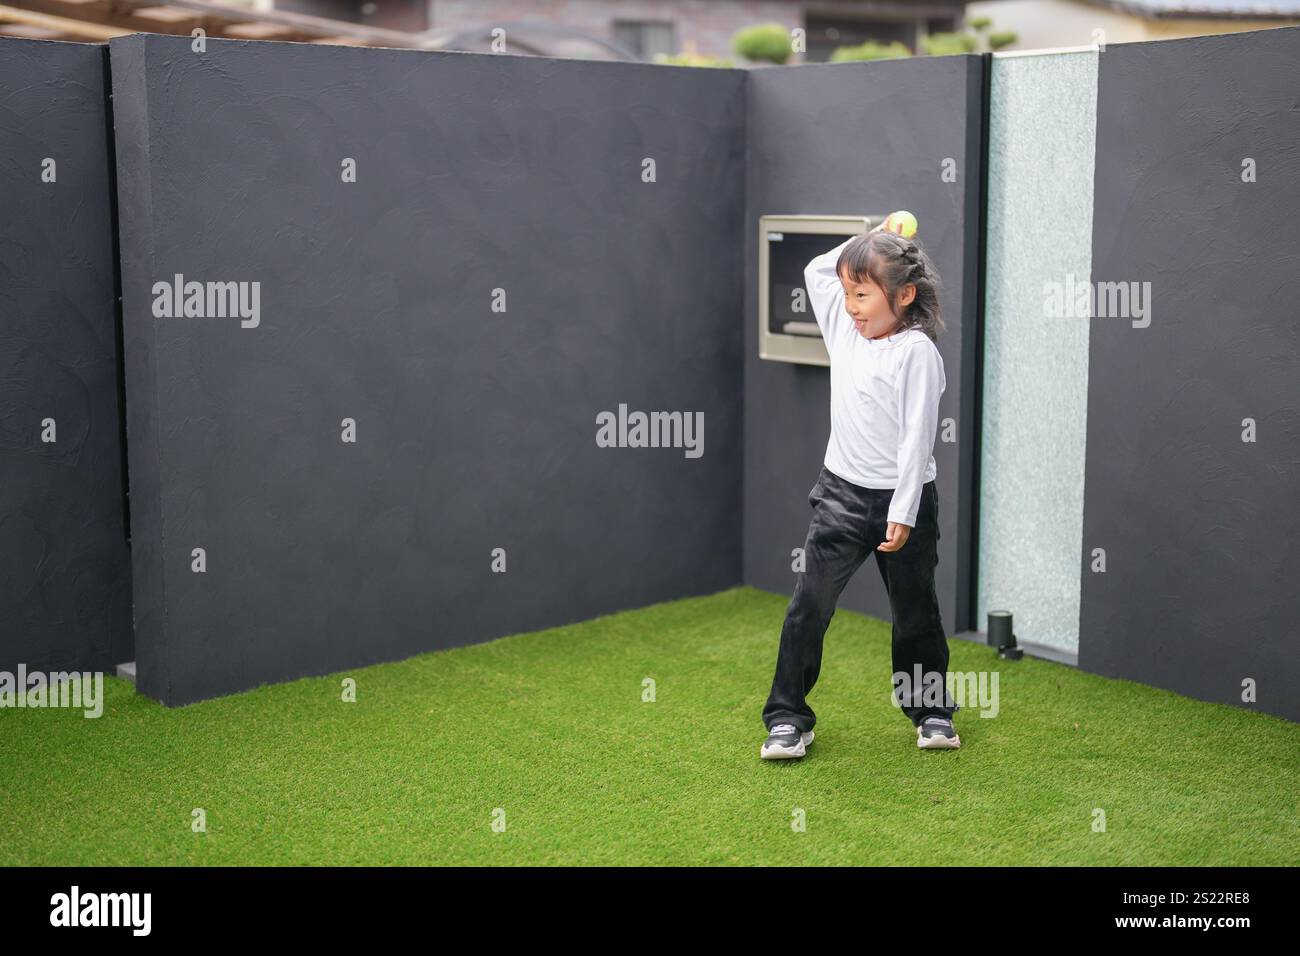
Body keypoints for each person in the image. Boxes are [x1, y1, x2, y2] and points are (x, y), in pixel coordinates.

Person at [760, 217, 961, 758]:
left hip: (907, 498)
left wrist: (904, 509)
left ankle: (931, 712)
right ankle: (788, 718)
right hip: (841, 498)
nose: (851, 305)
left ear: (905, 295)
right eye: (848, 292)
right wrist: (872, 233)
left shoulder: (917, 353)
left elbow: (919, 438)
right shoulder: (842, 326)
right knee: (810, 605)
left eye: (864, 294)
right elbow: (813, 268)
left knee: (916, 612)